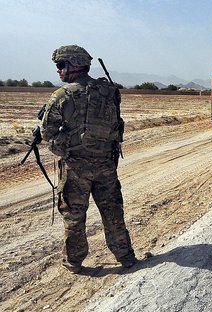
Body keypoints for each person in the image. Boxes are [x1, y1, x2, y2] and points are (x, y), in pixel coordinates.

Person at [41, 45, 136, 273]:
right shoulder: (109, 91)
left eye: (61, 65)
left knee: (74, 217)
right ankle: (126, 258)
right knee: (113, 213)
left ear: (74, 64)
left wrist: (66, 146)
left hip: (76, 168)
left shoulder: (63, 95)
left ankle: (73, 262)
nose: (58, 71)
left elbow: (47, 133)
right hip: (106, 165)